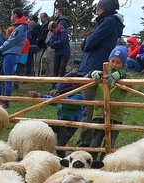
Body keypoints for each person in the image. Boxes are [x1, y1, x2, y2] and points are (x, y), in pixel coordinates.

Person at [75, 0, 124, 149]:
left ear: (105, 9)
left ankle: (85, 144)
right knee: (92, 108)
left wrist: (87, 41)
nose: (97, 12)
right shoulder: (109, 22)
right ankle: (90, 142)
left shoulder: (108, 22)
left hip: (94, 67)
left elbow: (88, 44)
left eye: (99, 9)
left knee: (89, 108)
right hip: (93, 66)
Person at [88, 45, 129, 149]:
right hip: (99, 113)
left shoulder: (124, 77)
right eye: (112, 61)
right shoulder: (102, 74)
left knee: (110, 144)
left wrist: (119, 74)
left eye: (118, 62)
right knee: (95, 141)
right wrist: (92, 73)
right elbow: (85, 80)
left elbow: (132, 83)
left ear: (123, 64)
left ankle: (106, 161)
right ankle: (92, 160)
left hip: (115, 115)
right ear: (109, 60)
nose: (114, 64)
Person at [29, 81, 84, 156]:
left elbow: (69, 103)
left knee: (60, 146)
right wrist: (40, 95)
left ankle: (62, 163)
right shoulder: (62, 97)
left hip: (70, 125)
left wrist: (59, 96)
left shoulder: (79, 97)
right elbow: (53, 100)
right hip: (60, 122)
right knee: (42, 127)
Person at [0, 8, 28, 108]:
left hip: (11, 55)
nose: (10, 17)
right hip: (8, 54)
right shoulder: (18, 27)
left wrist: (0, 49)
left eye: (11, 14)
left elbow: (11, 41)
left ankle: (6, 101)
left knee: (7, 78)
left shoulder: (20, 28)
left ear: (15, 15)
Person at [48, 21, 71, 86]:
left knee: (62, 67)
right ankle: (54, 83)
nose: (52, 32)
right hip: (57, 53)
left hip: (65, 52)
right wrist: (58, 44)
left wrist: (55, 44)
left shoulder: (63, 32)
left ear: (55, 28)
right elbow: (51, 44)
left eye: (52, 31)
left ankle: (61, 83)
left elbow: (63, 41)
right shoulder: (53, 35)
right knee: (56, 68)